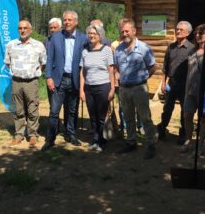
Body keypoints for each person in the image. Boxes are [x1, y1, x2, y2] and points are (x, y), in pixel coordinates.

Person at [42, 10, 88, 151]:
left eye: (70, 20)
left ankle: (71, 135)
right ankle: (50, 139)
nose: (67, 22)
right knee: (54, 111)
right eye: (65, 20)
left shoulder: (83, 38)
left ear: (76, 22)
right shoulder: (55, 37)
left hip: (74, 80)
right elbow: (49, 59)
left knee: (72, 111)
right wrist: (48, 77)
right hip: (58, 80)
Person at [115, 18, 157, 159]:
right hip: (124, 89)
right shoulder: (119, 49)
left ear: (134, 31)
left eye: (127, 31)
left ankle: (151, 144)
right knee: (128, 118)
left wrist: (143, 78)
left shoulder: (144, 48)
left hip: (139, 88)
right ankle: (131, 142)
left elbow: (153, 66)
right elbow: (116, 67)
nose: (124, 33)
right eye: (122, 31)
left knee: (145, 118)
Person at [5, 20, 46, 146]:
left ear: (30, 30)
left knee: (33, 109)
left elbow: (43, 63)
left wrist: (31, 73)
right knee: (19, 110)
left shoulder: (38, 45)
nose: (22, 30)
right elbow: (7, 62)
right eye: (20, 28)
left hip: (31, 82)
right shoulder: (11, 45)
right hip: (16, 81)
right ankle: (18, 135)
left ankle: (33, 135)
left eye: (25, 28)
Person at [157, 21, 195, 145]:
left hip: (185, 85)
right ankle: (162, 129)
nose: (178, 31)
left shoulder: (192, 49)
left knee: (185, 110)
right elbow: (165, 67)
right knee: (167, 108)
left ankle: (183, 134)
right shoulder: (171, 47)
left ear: (188, 33)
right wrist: (163, 83)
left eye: (181, 30)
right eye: (177, 29)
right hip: (171, 84)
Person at [79, 24, 115, 152]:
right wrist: (81, 90)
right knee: (92, 116)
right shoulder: (85, 51)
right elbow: (83, 72)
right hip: (89, 87)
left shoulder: (107, 50)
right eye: (90, 33)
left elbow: (111, 70)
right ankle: (95, 139)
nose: (92, 36)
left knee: (101, 116)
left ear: (100, 36)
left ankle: (101, 141)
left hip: (103, 86)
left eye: (94, 34)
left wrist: (112, 88)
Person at [181, 24, 205, 154]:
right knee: (187, 115)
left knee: (203, 118)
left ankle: (201, 146)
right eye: (196, 33)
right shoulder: (191, 51)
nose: (197, 36)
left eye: (200, 33)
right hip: (190, 91)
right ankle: (188, 141)